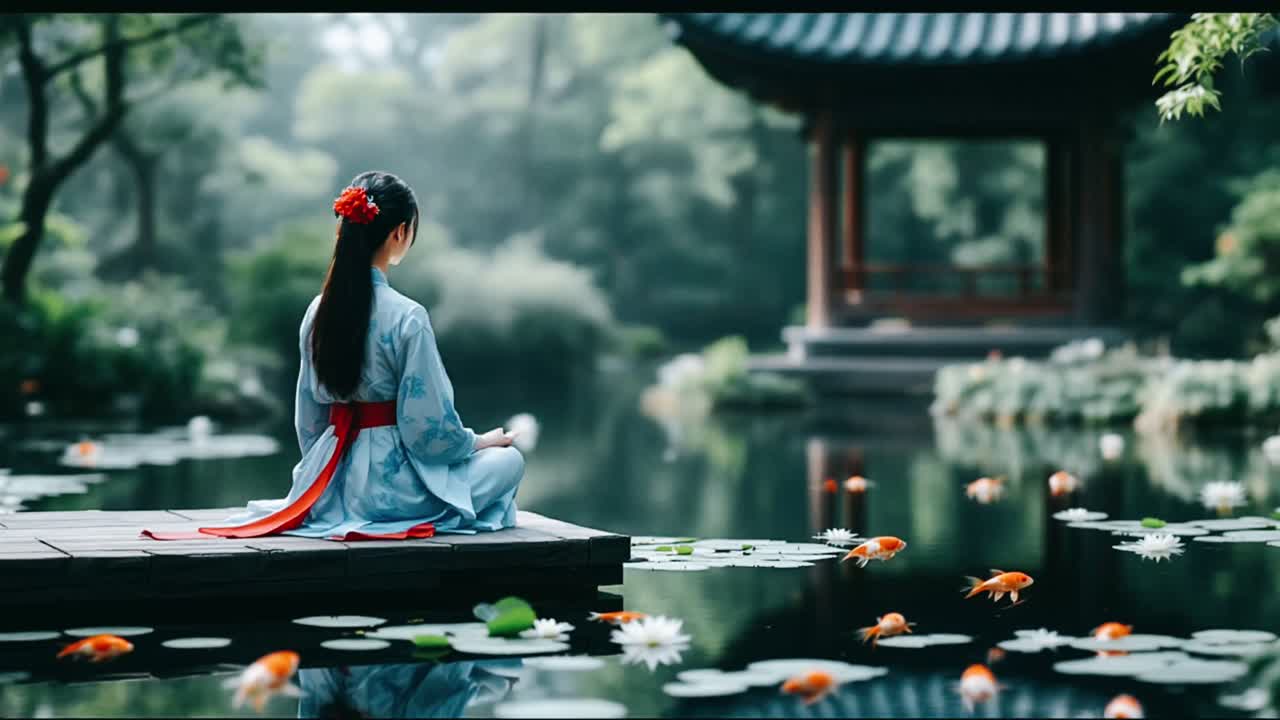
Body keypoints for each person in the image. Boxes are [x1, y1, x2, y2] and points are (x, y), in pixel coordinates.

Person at [144, 171, 524, 541]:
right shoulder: (408, 317)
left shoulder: (318, 310)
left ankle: (341, 505)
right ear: (399, 232)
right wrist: (477, 442)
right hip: (393, 494)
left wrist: (324, 471)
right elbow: (426, 431)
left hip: (328, 484)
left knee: (488, 463)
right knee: (508, 462)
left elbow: (309, 419)